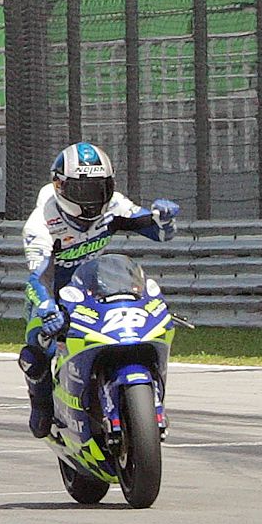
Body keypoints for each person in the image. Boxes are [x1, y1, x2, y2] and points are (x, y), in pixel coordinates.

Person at [18, 142, 179, 438]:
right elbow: (37, 278)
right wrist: (46, 307)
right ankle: (40, 404)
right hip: (53, 292)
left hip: (93, 285)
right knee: (37, 343)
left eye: (99, 189)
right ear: (60, 186)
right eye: (83, 191)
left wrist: (164, 219)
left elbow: (156, 231)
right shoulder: (41, 222)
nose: (92, 200)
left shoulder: (115, 205)